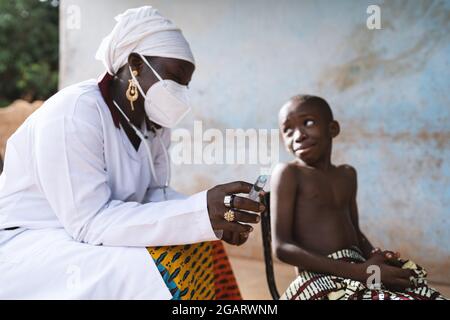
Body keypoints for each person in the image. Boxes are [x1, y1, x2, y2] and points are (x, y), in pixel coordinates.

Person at [0, 6, 264, 299]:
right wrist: (199, 212)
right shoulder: (73, 114)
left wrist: (212, 216)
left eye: (185, 85)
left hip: (93, 231)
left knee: (202, 246)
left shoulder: (153, 125)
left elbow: (154, 194)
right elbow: (91, 222)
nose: (180, 93)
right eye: (174, 78)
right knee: (143, 268)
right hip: (31, 239)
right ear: (135, 64)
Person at [270, 94, 446, 300]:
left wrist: (376, 258)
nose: (298, 135)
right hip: (320, 277)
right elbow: (282, 247)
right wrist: (360, 272)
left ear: (333, 129)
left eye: (308, 122)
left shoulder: (347, 174)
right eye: (287, 130)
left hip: (358, 266)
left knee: (421, 293)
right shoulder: (289, 174)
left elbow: (355, 232)